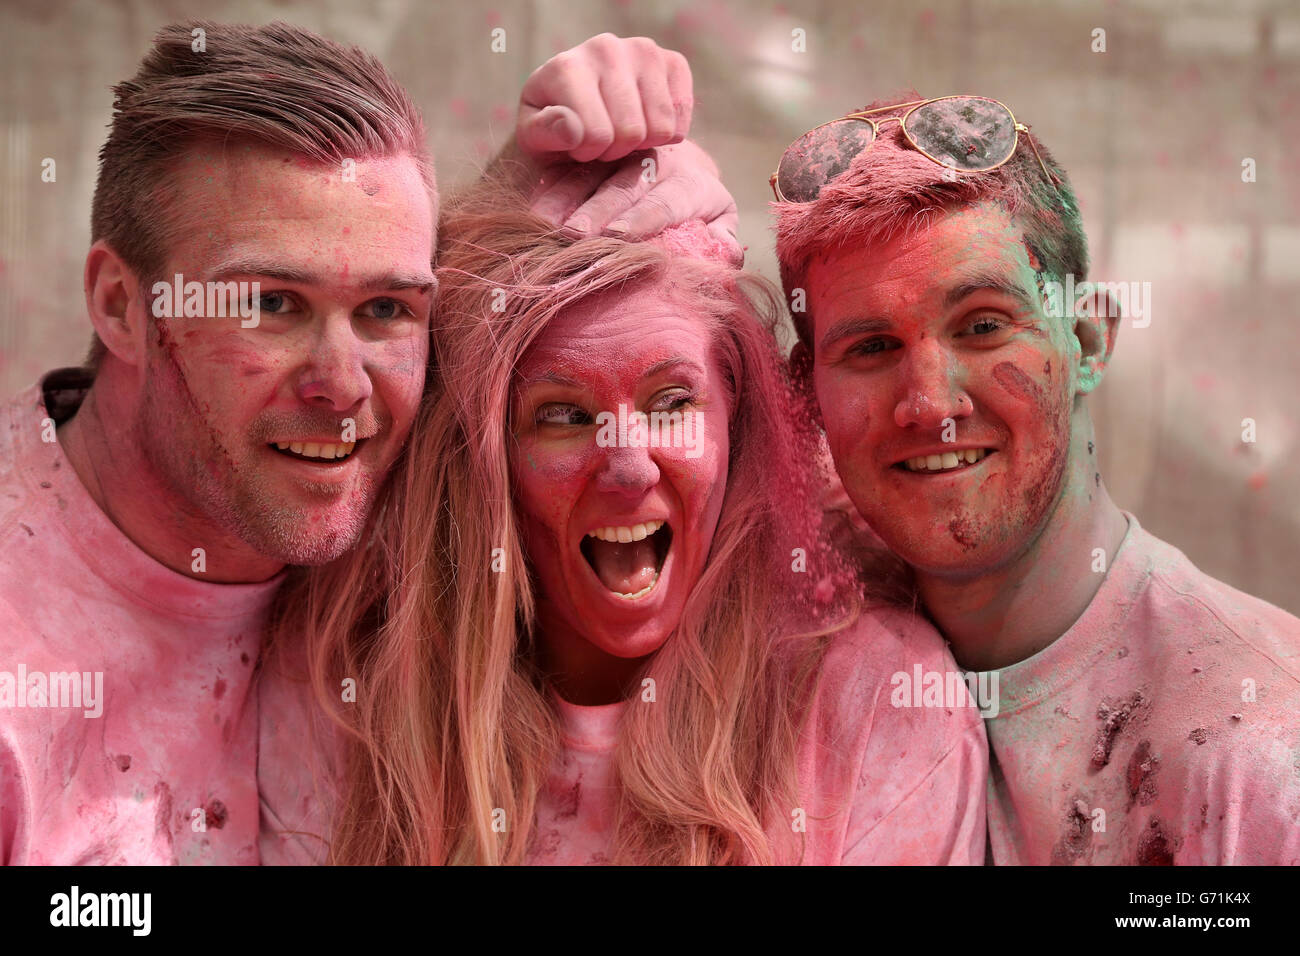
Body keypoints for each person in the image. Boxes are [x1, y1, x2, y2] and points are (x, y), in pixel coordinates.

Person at [0, 20, 727, 865]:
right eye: (271, 304)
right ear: (122, 305)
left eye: (385, 309)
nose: (343, 388)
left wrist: (593, 160)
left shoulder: (384, 481)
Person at [262, 157, 989, 866]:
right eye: (563, 416)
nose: (628, 464)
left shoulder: (878, 703)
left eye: (672, 404)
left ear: (738, 421)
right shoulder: (341, 700)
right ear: (485, 463)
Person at [771, 92, 1300, 864]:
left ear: (1086, 339)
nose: (931, 405)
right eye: (872, 347)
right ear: (804, 395)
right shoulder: (789, 673)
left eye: (983, 326)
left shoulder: (1260, 742)